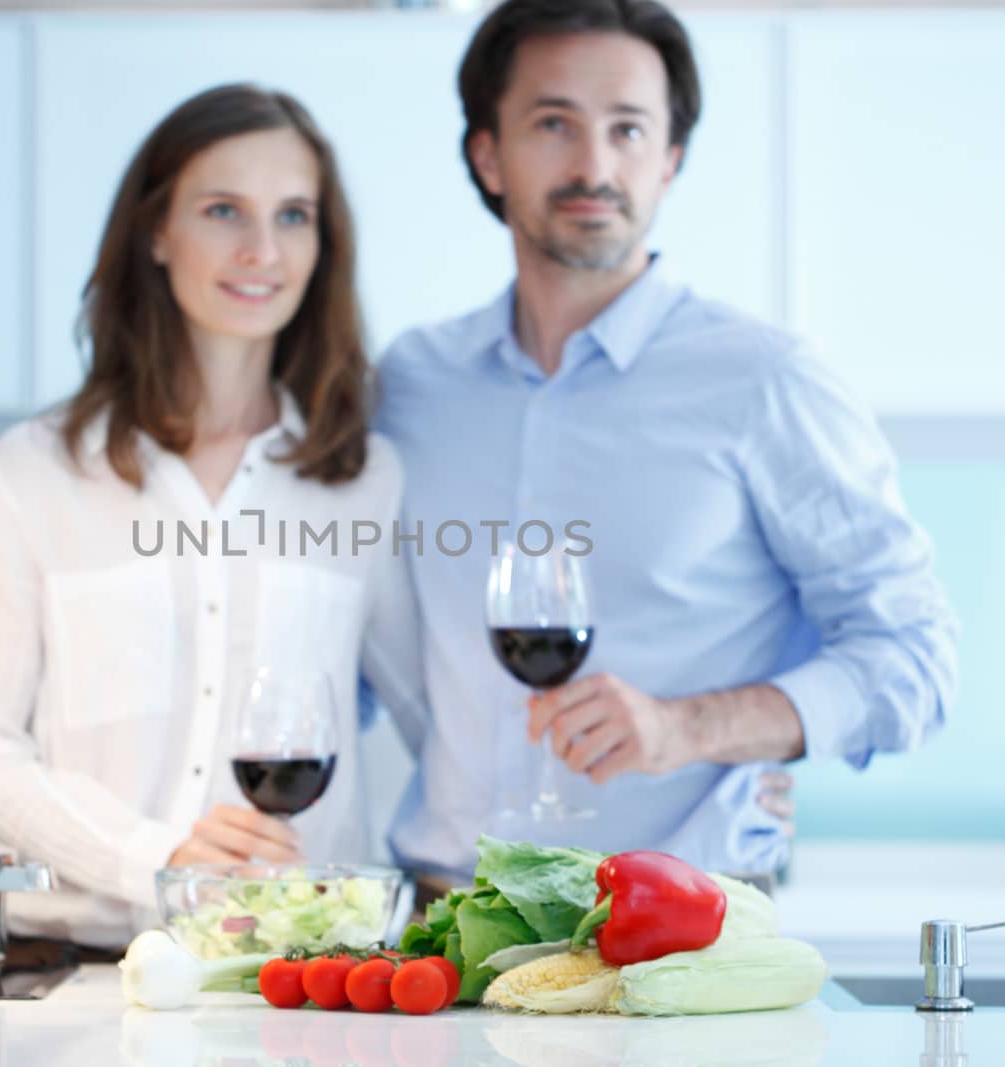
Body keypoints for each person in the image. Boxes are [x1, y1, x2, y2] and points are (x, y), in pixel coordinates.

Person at [377, 0, 959, 883]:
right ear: (486, 154)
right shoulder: (413, 384)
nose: (594, 164)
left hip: (678, 935)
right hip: (440, 924)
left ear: (671, 159)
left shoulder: (767, 382)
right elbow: (336, 628)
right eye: (553, 124)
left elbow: (914, 657)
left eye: (628, 129)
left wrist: (687, 728)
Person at [0, 84, 425, 953]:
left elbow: (445, 717)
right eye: (224, 210)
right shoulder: (34, 471)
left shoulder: (364, 480)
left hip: (301, 976)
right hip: (73, 970)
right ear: (157, 231)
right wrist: (156, 859)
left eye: (294, 215)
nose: (262, 250)